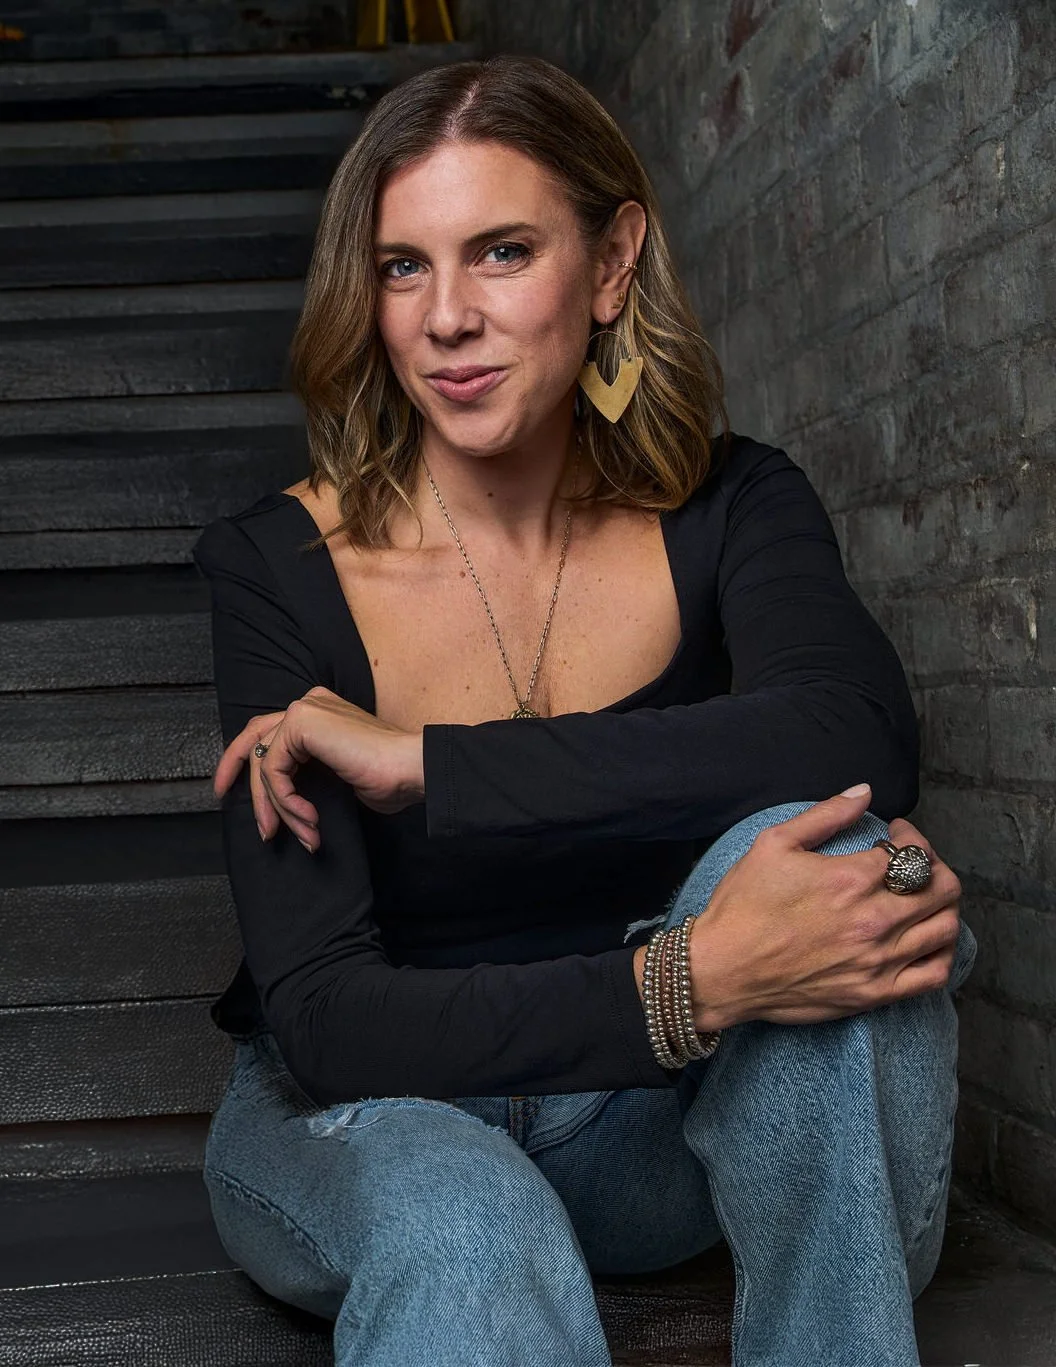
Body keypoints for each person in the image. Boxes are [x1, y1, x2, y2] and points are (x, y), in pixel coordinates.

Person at [191, 54, 977, 1367]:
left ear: (612, 265)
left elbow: (852, 736)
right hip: (366, 1120)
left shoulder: (734, 506)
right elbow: (329, 1017)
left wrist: (437, 770)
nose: (446, 316)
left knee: (848, 857)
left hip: (638, 1129)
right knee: (471, 1220)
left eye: (501, 251)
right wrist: (680, 985)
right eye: (403, 266)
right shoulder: (276, 568)